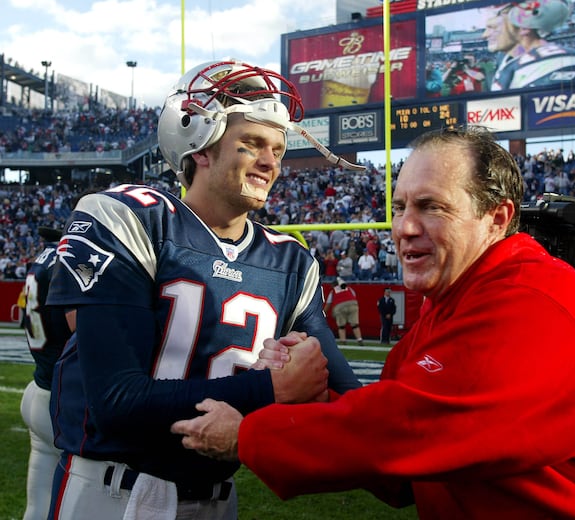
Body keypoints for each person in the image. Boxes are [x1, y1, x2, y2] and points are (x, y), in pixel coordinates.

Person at [171, 126, 575, 518]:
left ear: (497, 219)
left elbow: (409, 429)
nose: (404, 227)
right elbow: (399, 474)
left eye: (431, 207)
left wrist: (248, 437)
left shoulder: (537, 299)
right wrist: (314, 397)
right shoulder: (452, 301)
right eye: (398, 207)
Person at [45, 60, 362, 520]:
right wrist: (271, 388)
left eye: (277, 148)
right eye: (251, 144)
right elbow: (115, 401)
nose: (270, 162)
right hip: (113, 492)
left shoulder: (290, 260)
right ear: (200, 145)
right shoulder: (132, 219)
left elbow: (339, 391)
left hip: (218, 497)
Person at [19, 226, 73, 520]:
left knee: (38, 508)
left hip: (39, 386)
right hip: (63, 401)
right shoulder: (71, 259)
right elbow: (81, 325)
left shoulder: (44, 257)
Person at [488, 0, 575, 90]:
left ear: (523, 27)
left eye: (496, 25)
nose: (486, 34)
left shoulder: (552, 64)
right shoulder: (508, 57)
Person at [323, 278, 363, 345]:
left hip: (340, 306)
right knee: (355, 325)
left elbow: (328, 304)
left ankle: (343, 340)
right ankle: (359, 339)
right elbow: (353, 296)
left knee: (341, 326)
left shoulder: (333, 291)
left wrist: (323, 314)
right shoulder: (349, 288)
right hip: (353, 304)